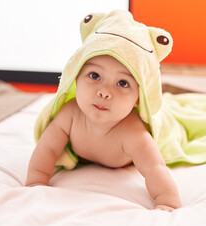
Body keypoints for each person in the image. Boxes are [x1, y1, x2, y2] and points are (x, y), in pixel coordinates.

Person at [26, 10, 182, 212]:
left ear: (138, 98)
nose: (105, 92)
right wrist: (35, 183)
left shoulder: (134, 134)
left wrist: (167, 203)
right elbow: (48, 149)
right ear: (75, 77)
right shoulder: (70, 114)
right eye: (94, 75)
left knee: (180, 120)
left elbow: (155, 169)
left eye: (123, 83)